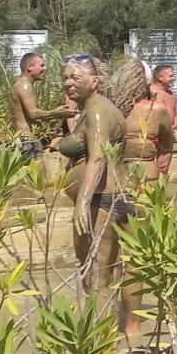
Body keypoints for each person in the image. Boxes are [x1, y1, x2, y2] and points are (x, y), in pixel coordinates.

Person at [56, 55, 129, 306]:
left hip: (101, 200)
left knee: (96, 277)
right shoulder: (90, 109)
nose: (68, 83)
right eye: (65, 78)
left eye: (75, 77)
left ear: (95, 81)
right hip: (105, 198)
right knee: (103, 274)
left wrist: (83, 202)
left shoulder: (98, 111)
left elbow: (98, 159)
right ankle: (108, 337)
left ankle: (102, 342)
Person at [123, 68, 177, 187]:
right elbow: (166, 149)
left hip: (118, 178)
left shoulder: (112, 108)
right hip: (148, 175)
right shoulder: (155, 108)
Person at [7, 53, 68, 153]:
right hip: (26, 140)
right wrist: (55, 113)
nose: (45, 68)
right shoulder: (24, 85)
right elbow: (33, 113)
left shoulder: (22, 84)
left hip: (23, 139)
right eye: (42, 65)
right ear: (30, 67)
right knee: (37, 168)